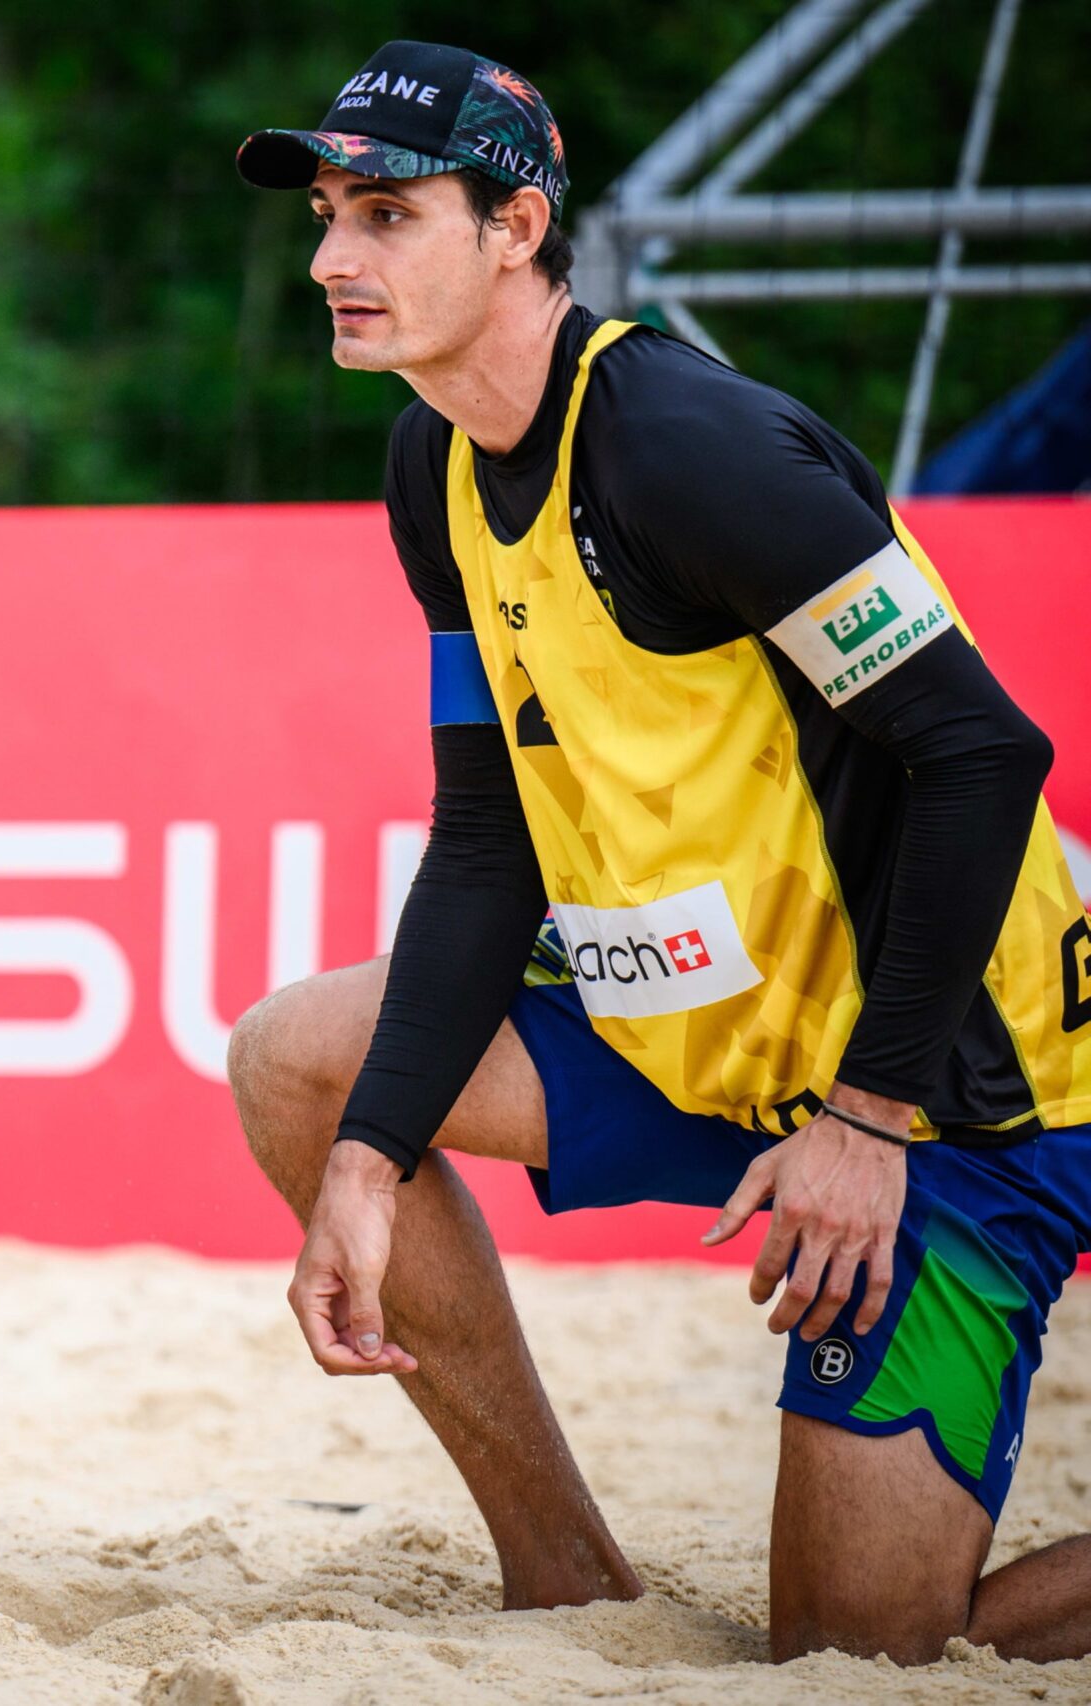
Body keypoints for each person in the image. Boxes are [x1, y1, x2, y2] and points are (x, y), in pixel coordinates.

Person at [224, 41, 1091, 1664]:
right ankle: (566, 1583)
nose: (335, 258)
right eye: (329, 216)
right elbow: (488, 839)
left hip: (963, 1092)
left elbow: (983, 754)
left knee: (861, 1648)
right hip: (715, 1038)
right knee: (301, 1067)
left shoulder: (686, 444)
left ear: (517, 227)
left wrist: (867, 1116)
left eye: (388, 215)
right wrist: (366, 1157)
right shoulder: (435, 462)